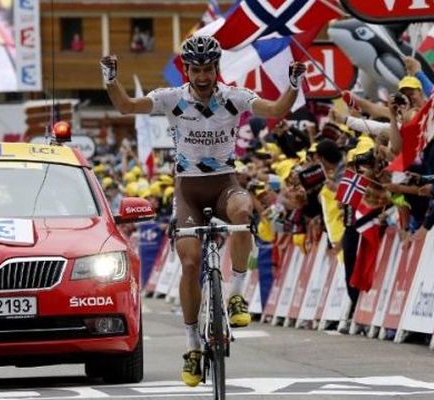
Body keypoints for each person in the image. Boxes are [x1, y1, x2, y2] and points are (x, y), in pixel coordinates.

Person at [101, 35, 306, 387]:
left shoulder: (233, 97)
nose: (203, 76)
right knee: (191, 262)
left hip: (225, 182)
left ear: (216, 69)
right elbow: (126, 106)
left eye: (209, 69)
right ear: (187, 70)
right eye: (196, 69)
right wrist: (110, 79)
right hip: (188, 190)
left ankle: (237, 294)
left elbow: (275, 110)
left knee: (244, 214)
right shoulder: (171, 99)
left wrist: (292, 83)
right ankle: (193, 345)